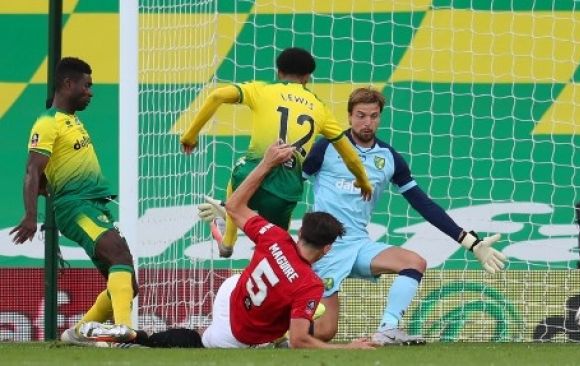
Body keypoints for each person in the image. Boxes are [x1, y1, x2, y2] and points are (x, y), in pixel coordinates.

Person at [301, 87, 508, 345]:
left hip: (358, 243)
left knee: (414, 262)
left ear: (380, 117)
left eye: (373, 116)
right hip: (324, 249)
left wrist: (470, 242)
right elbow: (292, 186)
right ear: (349, 116)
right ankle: (275, 335)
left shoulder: (388, 158)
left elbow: (422, 203)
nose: (367, 123)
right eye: (361, 115)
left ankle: (387, 329)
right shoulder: (326, 148)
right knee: (323, 332)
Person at [131, 142, 376, 349]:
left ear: (300, 232)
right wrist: (348, 348)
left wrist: (267, 162)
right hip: (237, 331)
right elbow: (301, 339)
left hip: (232, 290)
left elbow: (234, 206)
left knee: (290, 308)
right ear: (327, 249)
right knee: (199, 341)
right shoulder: (309, 284)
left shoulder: (275, 236)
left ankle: (136, 335)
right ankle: (142, 339)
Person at [181, 47, 372, 258]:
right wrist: (363, 181)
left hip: (252, 178)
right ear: (308, 77)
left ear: (279, 72)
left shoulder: (262, 90)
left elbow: (217, 96)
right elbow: (350, 155)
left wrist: (190, 136)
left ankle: (228, 241)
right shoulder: (320, 108)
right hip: (286, 191)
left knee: (239, 171)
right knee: (277, 248)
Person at [10, 57, 138, 344]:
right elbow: (32, 170)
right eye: (86, 85)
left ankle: (76, 333)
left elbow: (44, 176)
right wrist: (31, 215)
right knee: (119, 256)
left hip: (93, 205)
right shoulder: (47, 123)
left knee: (127, 281)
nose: (90, 92)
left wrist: (46, 185)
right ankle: (124, 333)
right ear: (68, 84)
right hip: (75, 206)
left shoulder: (72, 121)